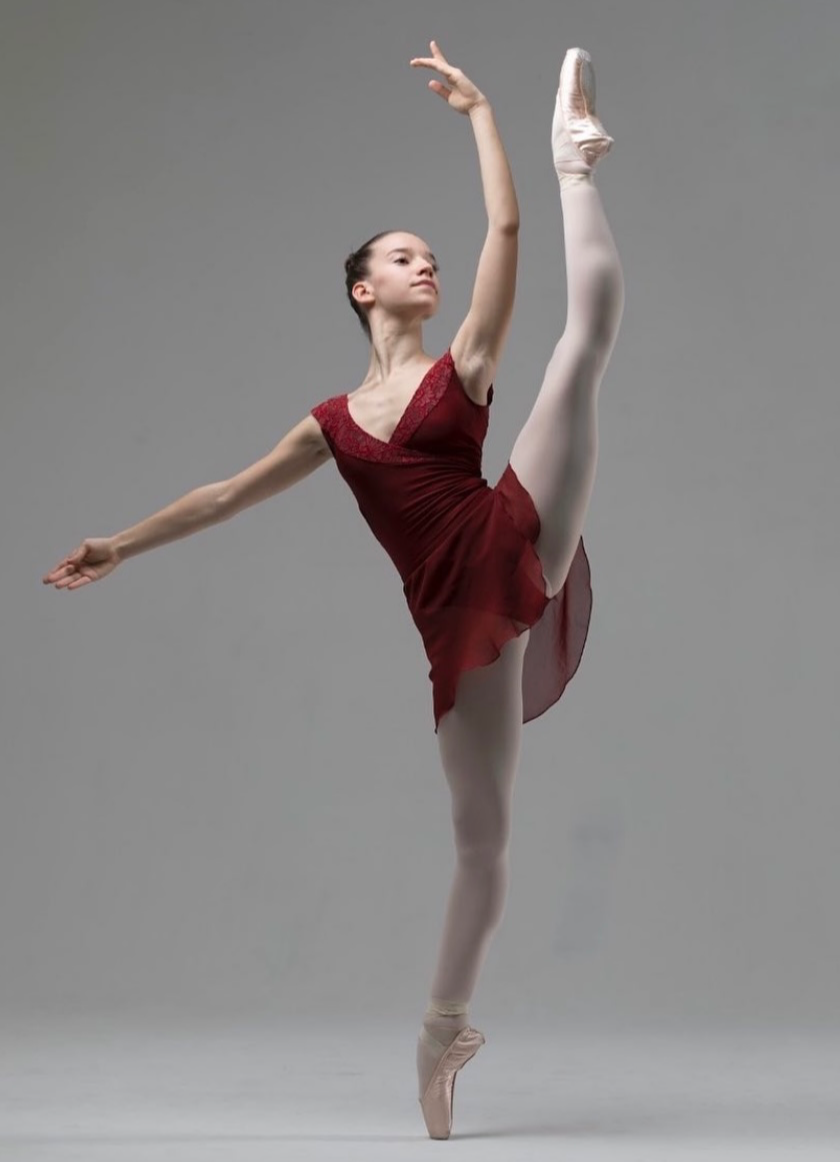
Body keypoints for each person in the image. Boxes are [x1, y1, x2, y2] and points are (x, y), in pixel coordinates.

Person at [42, 41, 624, 1140]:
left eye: (429, 256)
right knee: (483, 840)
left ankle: (576, 160)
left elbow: (503, 235)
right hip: (456, 619)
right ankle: (441, 1030)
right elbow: (224, 494)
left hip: (507, 526)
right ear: (365, 289)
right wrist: (121, 542)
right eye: (405, 258)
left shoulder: (463, 367)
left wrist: (482, 115)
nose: (427, 265)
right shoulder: (331, 424)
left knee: (580, 351)